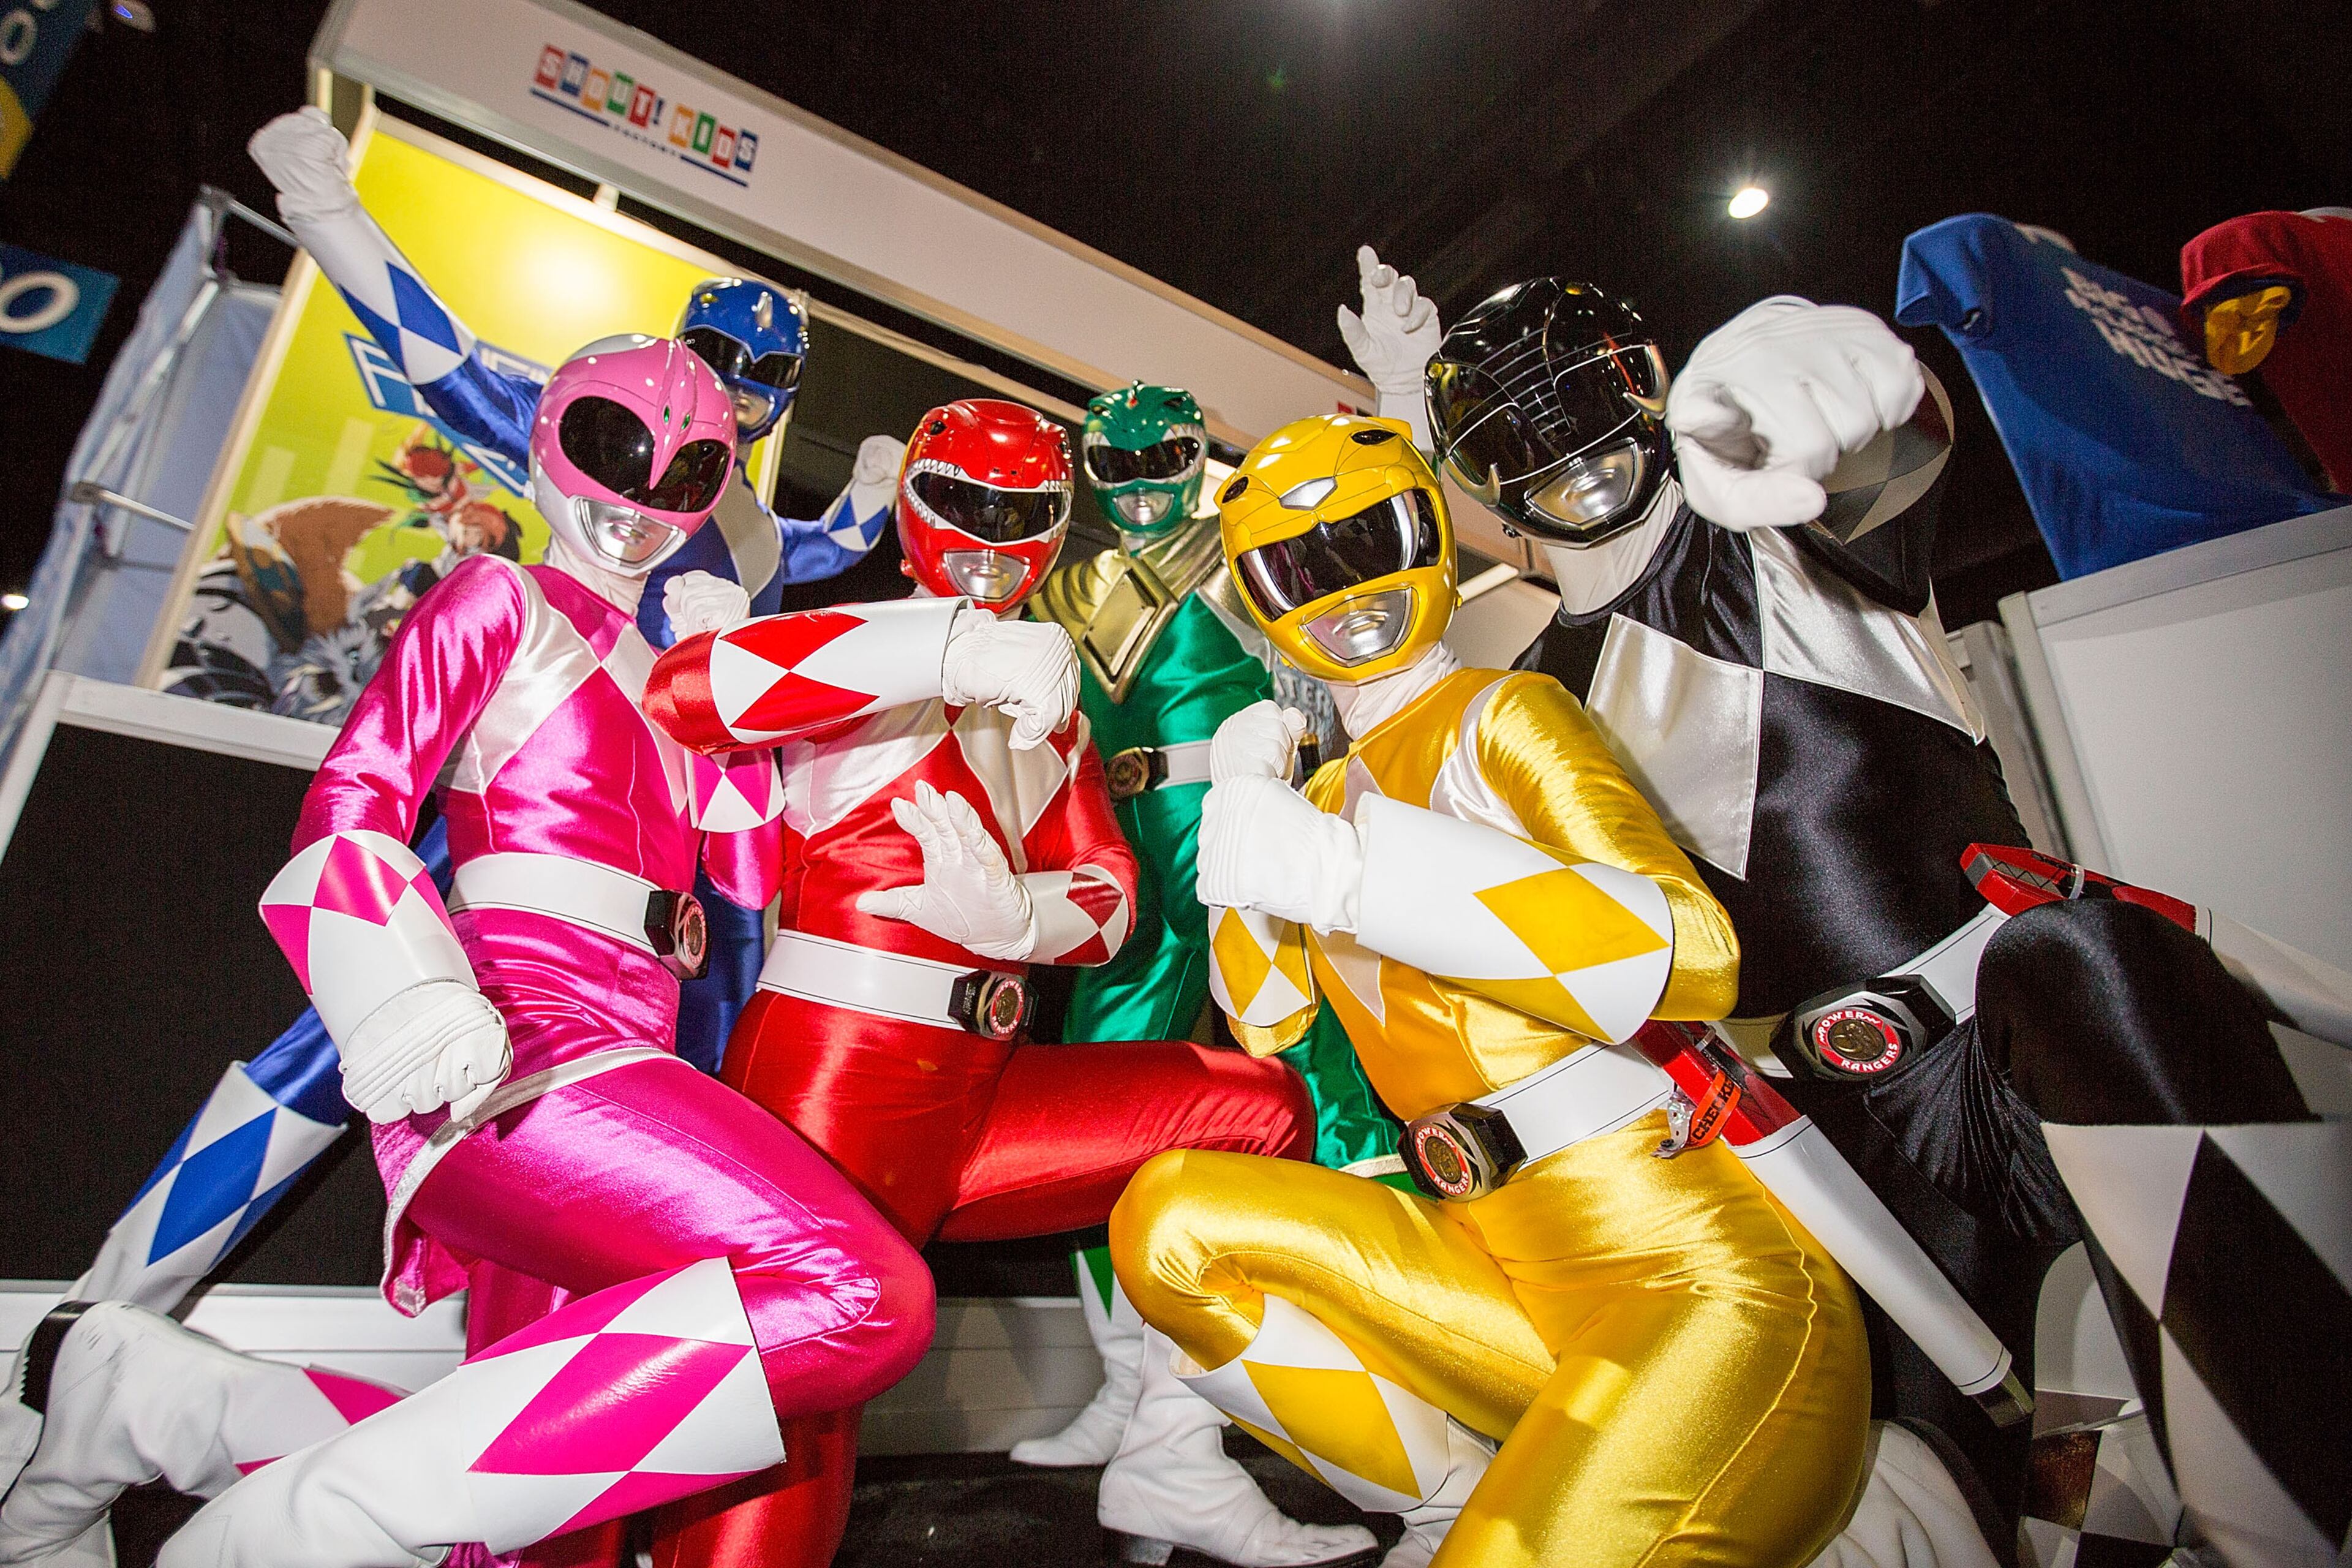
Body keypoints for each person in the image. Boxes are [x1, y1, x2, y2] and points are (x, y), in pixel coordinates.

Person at [1, 336, 1101, 1568]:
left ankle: (150, 1397)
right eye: (611, 446)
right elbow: (351, 796)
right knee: (862, 1290)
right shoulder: (500, 599)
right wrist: (399, 986)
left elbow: (741, 880)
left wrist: (738, 707)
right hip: (511, 1037)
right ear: (545, 441)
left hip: (627, 1055)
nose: (640, 498)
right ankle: (286, 1533)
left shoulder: (664, 663)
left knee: (543, 1525)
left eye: (688, 473)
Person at [1343, 249, 2352, 1564]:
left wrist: (1860, 403)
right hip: (1804, 1148)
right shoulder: (1522, 692)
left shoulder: (1775, 537)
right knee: (2009, 1495)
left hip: (2026, 1045)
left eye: (1578, 406)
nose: (1563, 450)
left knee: (2089, 971)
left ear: (1644, 392)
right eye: (1513, 435)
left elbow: (1881, 473)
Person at [1106, 410, 1880, 1568]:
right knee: (1168, 1219)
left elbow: (1693, 954)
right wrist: (1248, 832)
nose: (1345, 593)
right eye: (1302, 568)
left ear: (1427, 537)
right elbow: (1271, 1017)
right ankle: (1439, 1505)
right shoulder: (1323, 802)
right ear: (1263, 602)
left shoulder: (1503, 715)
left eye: (1374, 544)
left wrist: (1358, 875)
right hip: (1500, 1269)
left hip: (1693, 1279)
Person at [636, 398, 1370, 1568]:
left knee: (1261, 1110)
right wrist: (943, 647)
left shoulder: (1049, 707)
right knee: (797, 1422)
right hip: (839, 1084)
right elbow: (684, 694)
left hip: (983, 1094)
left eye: (1019, 513)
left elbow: (1114, 893)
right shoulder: (863, 651)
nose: (987, 539)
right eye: (964, 506)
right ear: (918, 509)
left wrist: (1022, 915)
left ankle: (1173, 1458)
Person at [1014, 385, 1402, 1542]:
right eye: (1113, 460)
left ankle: (1389, 1352)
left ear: (1197, 455)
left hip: (1233, 824)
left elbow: (1351, 594)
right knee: (1101, 1105)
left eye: (1162, 455)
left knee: (1318, 1067)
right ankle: (1135, 1392)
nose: (1137, 480)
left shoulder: (1239, 543)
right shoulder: (1062, 582)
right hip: (1115, 854)